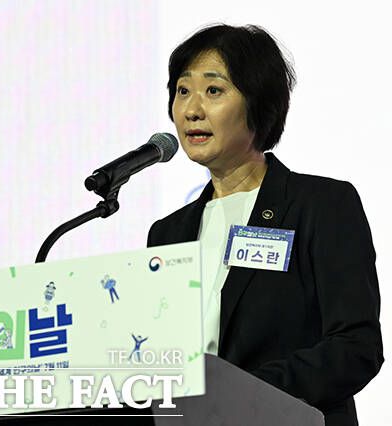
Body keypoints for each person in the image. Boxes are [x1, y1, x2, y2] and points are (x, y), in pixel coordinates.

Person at [147, 24, 383, 426]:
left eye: (213, 90)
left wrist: (243, 393)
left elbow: (355, 346)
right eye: (183, 91)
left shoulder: (320, 205)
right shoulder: (167, 233)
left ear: (259, 103)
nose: (191, 110)